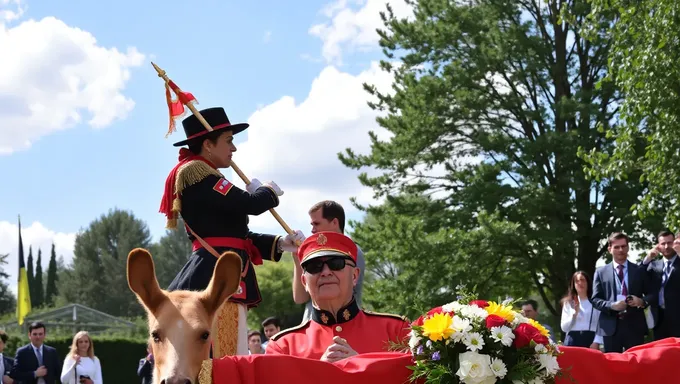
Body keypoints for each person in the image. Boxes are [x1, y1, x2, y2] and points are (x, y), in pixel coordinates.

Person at [160, 107, 303, 357]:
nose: (233, 149)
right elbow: (251, 205)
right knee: (225, 356)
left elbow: (236, 237)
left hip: (218, 263)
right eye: (228, 141)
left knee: (233, 351)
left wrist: (280, 243)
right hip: (218, 270)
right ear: (208, 144)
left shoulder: (203, 175)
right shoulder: (199, 174)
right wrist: (266, 191)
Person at [266, 232, 410, 361]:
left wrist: (361, 368)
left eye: (336, 264)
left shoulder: (396, 331)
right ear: (304, 282)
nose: (326, 272)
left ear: (354, 276)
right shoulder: (283, 347)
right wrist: (318, 375)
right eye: (314, 266)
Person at [292, 201, 365, 323]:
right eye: (315, 267)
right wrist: (298, 256)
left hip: (347, 323)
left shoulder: (353, 252)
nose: (312, 230)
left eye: (317, 224)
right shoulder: (310, 254)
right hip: (313, 326)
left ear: (335, 222)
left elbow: (338, 294)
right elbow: (299, 298)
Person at [591, 232, 652, 352]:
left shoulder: (639, 270)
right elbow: (595, 300)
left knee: (636, 366)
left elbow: (652, 295)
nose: (620, 250)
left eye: (623, 246)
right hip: (610, 327)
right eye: (616, 247)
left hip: (635, 326)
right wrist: (611, 305)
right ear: (609, 249)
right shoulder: (600, 272)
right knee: (613, 366)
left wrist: (641, 301)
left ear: (628, 247)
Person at [640, 230, 680, 340]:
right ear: (658, 246)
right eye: (663, 243)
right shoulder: (653, 265)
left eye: (670, 243)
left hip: (678, 317)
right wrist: (648, 258)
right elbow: (638, 276)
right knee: (662, 354)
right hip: (659, 318)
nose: (666, 246)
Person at [560, 271, 604, 348]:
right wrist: (574, 314)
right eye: (577, 281)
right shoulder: (569, 303)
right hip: (572, 340)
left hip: (590, 340)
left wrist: (597, 341)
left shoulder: (595, 303)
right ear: (573, 284)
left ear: (588, 283)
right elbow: (564, 328)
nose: (580, 283)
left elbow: (600, 325)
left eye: (582, 280)